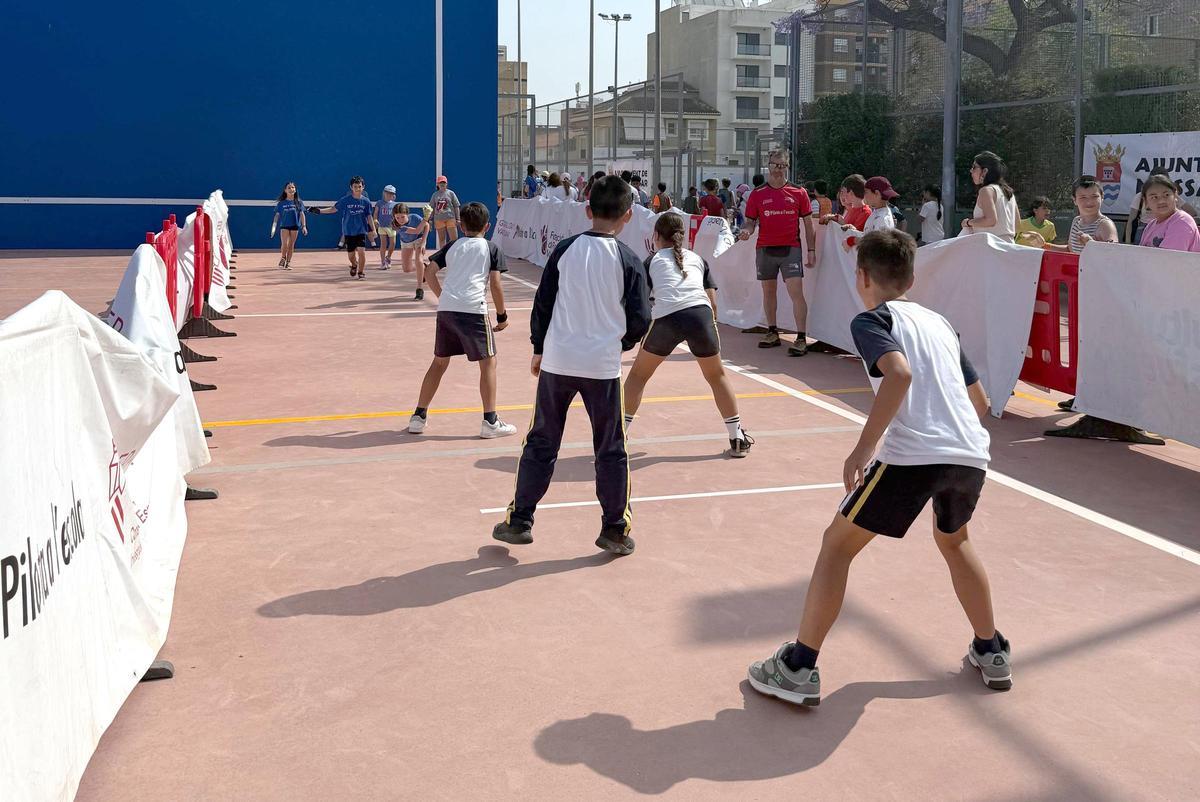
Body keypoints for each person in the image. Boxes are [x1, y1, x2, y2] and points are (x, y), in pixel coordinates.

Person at [747, 228, 1009, 707]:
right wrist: (949, 438)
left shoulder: (873, 321)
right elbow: (980, 401)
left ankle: (798, 667)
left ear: (862, 276)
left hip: (913, 455)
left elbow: (899, 374)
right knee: (956, 542)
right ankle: (991, 650)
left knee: (836, 546)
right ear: (910, 277)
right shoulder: (940, 324)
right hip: (970, 452)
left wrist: (862, 450)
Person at [490, 175, 650, 556]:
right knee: (611, 448)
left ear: (587, 209)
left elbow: (543, 303)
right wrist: (620, 343)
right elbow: (641, 317)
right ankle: (613, 528)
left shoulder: (565, 250)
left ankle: (519, 520)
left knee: (542, 441)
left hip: (559, 361)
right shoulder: (628, 259)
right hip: (602, 366)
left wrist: (539, 347)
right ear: (628, 215)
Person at [623, 213, 754, 457]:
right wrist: (705, 331)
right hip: (700, 316)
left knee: (639, 375)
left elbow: (639, 302)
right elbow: (713, 305)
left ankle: (618, 436)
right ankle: (736, 436)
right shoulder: (698, 259)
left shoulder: (651, 261)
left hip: (667, 317)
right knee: (716, 376)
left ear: (656, 237)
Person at [407, 202, 517, 439]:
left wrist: (442, 297)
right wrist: (502, 315)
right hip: (473, 311)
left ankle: (418, 416)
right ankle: (490, 421)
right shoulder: (491, 248)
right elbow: (496, 285)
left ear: (461, 224)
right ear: (487, 226)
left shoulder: (453, 246)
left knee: (439, 363)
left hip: (447, 310)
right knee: (488, 363)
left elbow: (428, 272)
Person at [740, 149, 817, 355]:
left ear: (787, 166)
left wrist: (811, 250)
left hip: (790, 249)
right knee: (768, 292)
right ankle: (772, 332)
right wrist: (746, 232)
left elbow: (809, 225)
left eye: (782, 166)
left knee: (796, 293)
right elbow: (750, 222)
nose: (778, 170)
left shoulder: (799, 193)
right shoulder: (757, 194)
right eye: (774, 165)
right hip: (765, 249)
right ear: (768, 166)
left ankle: (801, 337)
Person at [308, 176, 376, 279]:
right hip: (348, 231)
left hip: (361, 231)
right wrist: (319, 211)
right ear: (351, 187)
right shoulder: (345, 200)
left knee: (362, 252)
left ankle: (361, 272)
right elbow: (333, 209)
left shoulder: (366, 202)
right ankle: (354, 264)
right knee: (351, 255)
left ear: (363, 187)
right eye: (355, 186)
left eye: (359, 186)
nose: (357, 189)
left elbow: (369, 216)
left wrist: (374, 229)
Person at [1124, 168, 1200, 244]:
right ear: (1146, 201)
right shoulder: (1150, 226)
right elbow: (1131, 220)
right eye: (1154, 197)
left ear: (1175, 195)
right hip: (1143, 227)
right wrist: (1127, 242)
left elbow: (1192, 212)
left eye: (1166, 195)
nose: (1161, 201)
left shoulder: (1182, 223)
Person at [1044, 177, 1118, 254]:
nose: (1089, 202)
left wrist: (1092, 244)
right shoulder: (1076, 221)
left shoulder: (1105, 225)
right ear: (1074, 200)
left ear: (1102, 197)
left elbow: (1114, 253)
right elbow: (1070, 250)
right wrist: (1044, 245)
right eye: (1083, 197)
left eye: (1094, 196)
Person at [962, 151, 1018, 242]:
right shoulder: (1008, 192)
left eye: (974, 167)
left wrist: (968, 222)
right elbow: (1017, 224)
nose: (971, 170)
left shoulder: (986, 190)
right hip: (1009, 247)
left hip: (990, 247)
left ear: (985, 171)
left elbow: (990, 220)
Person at [395, 202, 431, 299]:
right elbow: (416, 230)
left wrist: (423, 242)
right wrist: (426, 217)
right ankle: (424, 267)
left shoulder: (415, 217)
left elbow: (426, 226)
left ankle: (419, 289)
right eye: (397, 217)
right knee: (407, 269)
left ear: (407, 214)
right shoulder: (396, 225)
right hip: (406, 242)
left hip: (419, 239)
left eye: (402, 217)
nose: (400, 220)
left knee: (418, 260)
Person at [270, 181, 307, 270]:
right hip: (284, 226)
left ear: (295, 189)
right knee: (285, 244)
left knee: (291, 245)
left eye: (293, 187)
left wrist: (304, 226)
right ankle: (283, 257)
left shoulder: (299, 202)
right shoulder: (281, 203)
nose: (291, 189)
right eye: (289, 188)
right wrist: (274, 224)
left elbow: (302, 214)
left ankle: (288, 263)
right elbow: (277, 215)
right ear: (285, 190)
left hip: (295, 225)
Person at [429, 175, 461, 249]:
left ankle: (453, 254)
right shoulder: (435, 195)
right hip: (439, 219)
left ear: (446, 184)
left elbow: (456, 206)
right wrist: (430, 219)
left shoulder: (451, 193)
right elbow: (432, 208)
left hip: (450, 218)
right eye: (440, 183)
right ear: (437, 184)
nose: (442, 184)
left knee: (454, 239)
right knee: (442, 239)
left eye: (444, 183)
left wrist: (458, 219)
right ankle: (443, 256)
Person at [374, 184, 399, 270]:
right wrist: (375, 220)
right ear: (384, 193)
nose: (389, 195)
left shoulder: (395, 204)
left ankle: (388, 258)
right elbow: (376, 213)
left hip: (392, 227)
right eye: (387, 193)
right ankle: (382, 262)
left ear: (394, 195)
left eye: (391, 193)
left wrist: (398, 224)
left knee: (393, 243)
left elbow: (398, 215)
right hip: (382, 226)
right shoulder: (379, 203)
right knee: (383, 244)